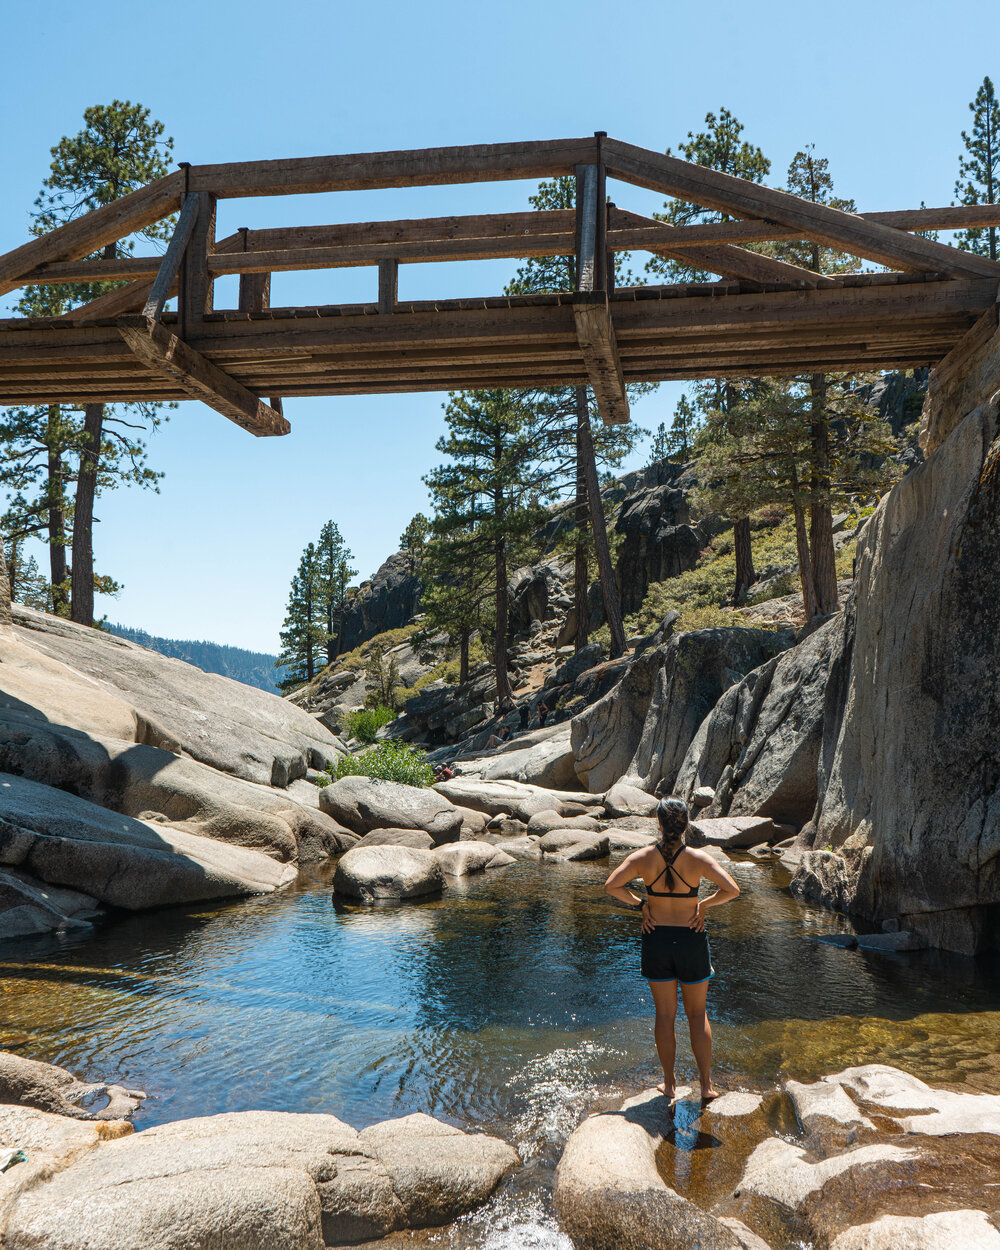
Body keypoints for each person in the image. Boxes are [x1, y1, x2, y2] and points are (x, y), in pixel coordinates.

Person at [603, 797, 740, 1103]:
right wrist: (703, 904)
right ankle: (706, 1086)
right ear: (685, 825)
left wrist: (641, 905)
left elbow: (611, 886)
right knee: (697, 1014)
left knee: (665, 1015)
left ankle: (669, 1084)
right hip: (691, 939)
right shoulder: (698, 859)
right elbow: (732, 890)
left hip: (657, 939)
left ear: (659, 823)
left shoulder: (643, 858)